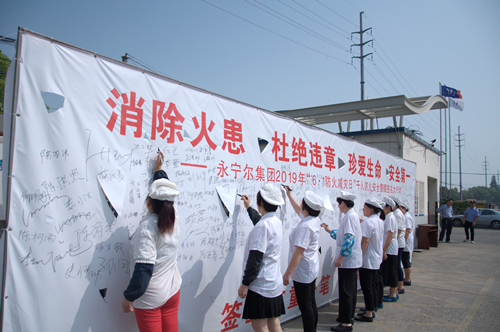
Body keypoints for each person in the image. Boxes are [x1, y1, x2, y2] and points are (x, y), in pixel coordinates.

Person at [121, 151, 182, 332]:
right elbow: (167, 196)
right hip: (172, 291)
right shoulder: (174, 217)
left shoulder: (147, 228)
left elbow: (144, 269)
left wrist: (128, 297)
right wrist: (159, 171)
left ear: (148, 202)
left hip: (151, 297)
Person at [238, 184, 286, 332]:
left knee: (259, 324)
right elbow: (260, 221)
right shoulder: (276, 222)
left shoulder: (263, 226)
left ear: (262, 203)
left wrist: (245, 284)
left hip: (261, 285)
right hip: (273, 283)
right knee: (274, 321)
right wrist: (249, 208)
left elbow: (255, 259)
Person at [282, 188, 324, 332]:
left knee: (306, 306)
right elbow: (298, 210)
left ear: (305, 207)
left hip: (303, 271)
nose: (300, 205)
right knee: (311, 303)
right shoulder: (314, 220)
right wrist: (289, 195)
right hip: (310, 269)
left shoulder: (305, 226)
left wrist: (288, 273)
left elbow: (298, 252)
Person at [320, 191, 362, 332]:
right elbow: (341, 235)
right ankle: (347, 317)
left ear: (343, 203)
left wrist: (340, 257)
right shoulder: (350, 216)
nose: (337, 206)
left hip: (348, 262)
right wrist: (329, 230)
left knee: (346, 292)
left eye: (338, 203)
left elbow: (349, 240)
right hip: (350, 261)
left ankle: (346, 324)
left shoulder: (350, 217)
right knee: (349, 291)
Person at [354, 198, 384, 323]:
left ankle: (368, 314)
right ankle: (371, 309)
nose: (363, 209)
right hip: (376, 258)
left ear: (371, 209)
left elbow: (365, 241)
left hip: (368, 259)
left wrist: (359, 257)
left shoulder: (368, 223)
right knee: (372, 285)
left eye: (364, 207)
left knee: (367, 287)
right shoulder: (378, 221)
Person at [380, 197, 399, 303]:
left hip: (390, 249)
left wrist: (384, 250)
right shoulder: (388, 217)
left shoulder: (390, 218)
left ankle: (393, 294)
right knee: (391, 271)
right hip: (389, 248)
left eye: (383, 206)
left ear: (388, 207)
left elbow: (390, 235)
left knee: (391, 271)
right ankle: (393, 292)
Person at [389, 195, 406, 294]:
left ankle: (400, 286)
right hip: (397, 243)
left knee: (396, 266)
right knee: (396, 266)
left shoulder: (397, 214)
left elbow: (398, 230)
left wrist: (392, 241)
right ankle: (397, 286)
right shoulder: (396, 213)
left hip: (397, 244)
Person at [401, 200, 414, 286]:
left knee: (406, 260)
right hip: (406, 240)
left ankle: (407, 279)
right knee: (405, 259)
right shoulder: (405, 216)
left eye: (400, 208)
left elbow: (408, 230)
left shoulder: (406, 217)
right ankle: (407, 278)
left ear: (405, 209)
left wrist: (404, 241)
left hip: (406, 241)